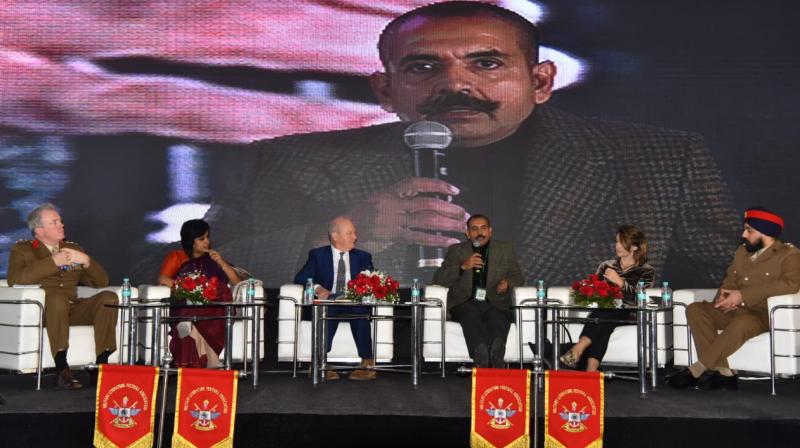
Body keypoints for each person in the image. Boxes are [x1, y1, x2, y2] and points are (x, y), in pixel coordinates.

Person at [207, 1, 739, 288]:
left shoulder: (665, 162)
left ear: (540, 81)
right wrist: (345, 238)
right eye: (423, 67)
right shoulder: (291, 161)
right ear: (385, 89)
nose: (456, 86)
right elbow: (173, 275)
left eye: (486, 63)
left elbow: (738, 284)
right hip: (373, 390)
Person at [667, 207, 800, 391]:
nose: (744, 234)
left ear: (765, 233)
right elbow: (729, 281)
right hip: (733, 309)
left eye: (749, 230)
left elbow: (791, 284)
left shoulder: (789, 255)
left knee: (743, 322)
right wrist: (722, 297)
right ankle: (724, 373)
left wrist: (743, 296)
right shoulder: (742, 252)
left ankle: (697, 369)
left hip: (760, 315)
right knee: (695, 309)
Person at [6, 203, 118, 390]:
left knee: (108, 298)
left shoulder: (73, 248)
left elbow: (101, 282)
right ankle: (61, 368)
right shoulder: (24, 250)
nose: (61, 225)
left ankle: (101, 365)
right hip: (44, 312)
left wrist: (86, 261)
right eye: (54, 222)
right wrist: (53, 262)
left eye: (61, 221)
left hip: (72, 309)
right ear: (39, 230)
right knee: (57, 300)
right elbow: (15, 279)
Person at [558, 225, 655, 371]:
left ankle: (578, 349)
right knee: (604, 320)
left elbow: (638, 299)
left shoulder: (646, 271)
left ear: (634, 247)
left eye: (621, 242)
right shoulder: (606, 266)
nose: (617, 246)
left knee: (605, 315)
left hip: (629, 313)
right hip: (605, 311)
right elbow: (594, 291)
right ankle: (592, 371)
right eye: (616, 242)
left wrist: (620, 282)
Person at [433, 214, 523, 368]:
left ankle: (496, 355)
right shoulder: (456, 250)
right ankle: (480, 353)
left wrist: (507, 284)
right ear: (467, 233)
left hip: (495, 301)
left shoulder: (505, 249)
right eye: (474, 229)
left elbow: (518, 277)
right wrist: (462, 267)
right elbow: (439, 279)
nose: (479, 233)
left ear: (490, 231)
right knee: (469, 314)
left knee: (499, 318)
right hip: (465, 302)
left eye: (483, 228)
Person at [293, 216, 377, 380]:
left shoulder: (363, 257)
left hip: (353, 302)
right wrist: (319, 289)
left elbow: (371, 280)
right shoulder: (317, 255)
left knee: (359, 309)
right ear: (335, 236)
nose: (355, 237)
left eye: (355, 233)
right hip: (329, 301)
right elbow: (301, 277)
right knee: (328, 308)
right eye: (350, 233)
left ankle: (367, 363)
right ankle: (319, 363)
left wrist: (362, 291)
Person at [159, 219, 242, 368]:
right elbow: (164, 280)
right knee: (192, 304)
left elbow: (237, 282)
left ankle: (188, 325)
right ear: (191, 242)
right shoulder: (182, 261)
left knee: (215, 294)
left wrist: (222, 263)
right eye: (201, 239)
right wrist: (187, 287)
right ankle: (211, 361)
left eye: (207, 237)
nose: (207, 242)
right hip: (191, 303)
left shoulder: (214, 259)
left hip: (214, 305)